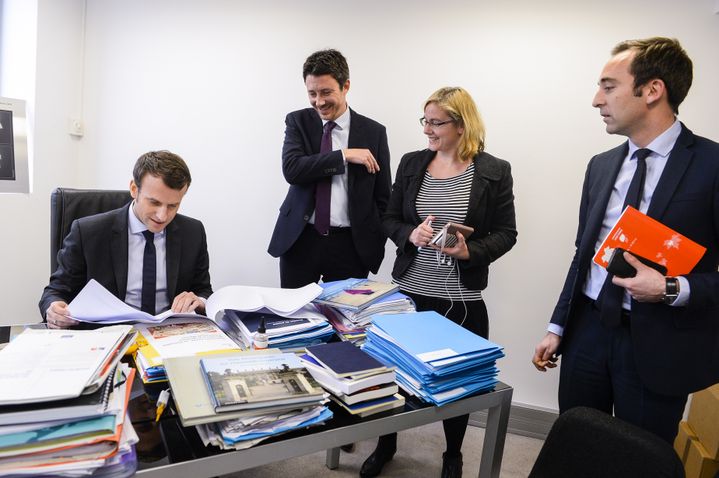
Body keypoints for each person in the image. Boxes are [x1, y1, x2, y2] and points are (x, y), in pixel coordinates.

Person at [532, 37, 719, 444]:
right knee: (578, 446)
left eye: (609, 86)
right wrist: (558, 325)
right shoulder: (600, 166)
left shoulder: (712, 165)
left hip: (661, 342)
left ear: (653, 90)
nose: (597, 100)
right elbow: (584, 256)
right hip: (588, 332)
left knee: (639, 459)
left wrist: (672, 288)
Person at [361, 87, 517, 478]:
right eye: (425, 121)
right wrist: (408, 235)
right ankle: (386, 444)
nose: (427, 129)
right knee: (394, 374)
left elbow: (507, 233)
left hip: (460, 298)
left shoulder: (494, 171)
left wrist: (470, 252)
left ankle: (452, 454)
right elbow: (390, 217)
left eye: (436, 122)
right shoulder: (413, 164)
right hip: (409, 291)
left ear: (462, 126)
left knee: (457, 382)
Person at [40, 150, 212, 328]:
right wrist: (53, 309)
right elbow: (56, 291)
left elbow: (203, 290)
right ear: (134, 189)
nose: (162, 215)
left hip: (168, 337)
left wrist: (199, 302)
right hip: (107, 335)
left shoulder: (193, 232)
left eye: (173, 206)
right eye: (154, 202)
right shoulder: (88, 232)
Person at [267, 49, 392, 288]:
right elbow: (292, 169)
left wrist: (376, 239)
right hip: (301, 240)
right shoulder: (298, 121)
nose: (319, 102)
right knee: (296, 318)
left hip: (351, 246)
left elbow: (383, 196)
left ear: (346, 86)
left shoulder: (374, 132)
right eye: (312, 93)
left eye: (326, 92)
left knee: (346, 321)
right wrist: (343, 156)